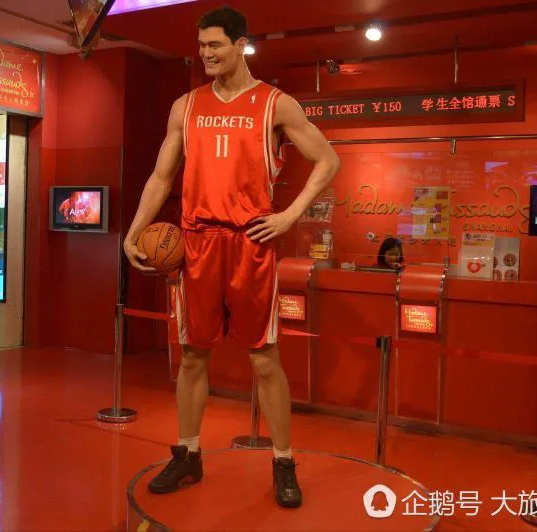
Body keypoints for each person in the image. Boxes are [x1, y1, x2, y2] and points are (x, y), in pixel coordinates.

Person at [123, 7, 340, 509]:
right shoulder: (186, 106)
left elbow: (328, 161)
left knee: (264, 359)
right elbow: (161, 177)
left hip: (251, 244)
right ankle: (188, 453)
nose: (206, 54)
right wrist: (132, 232)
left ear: (241, 44)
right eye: (201, 46)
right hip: (197, 243)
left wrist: (288, 216)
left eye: (215, 45)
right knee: (192, 355)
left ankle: (283, 462)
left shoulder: (276, 104)